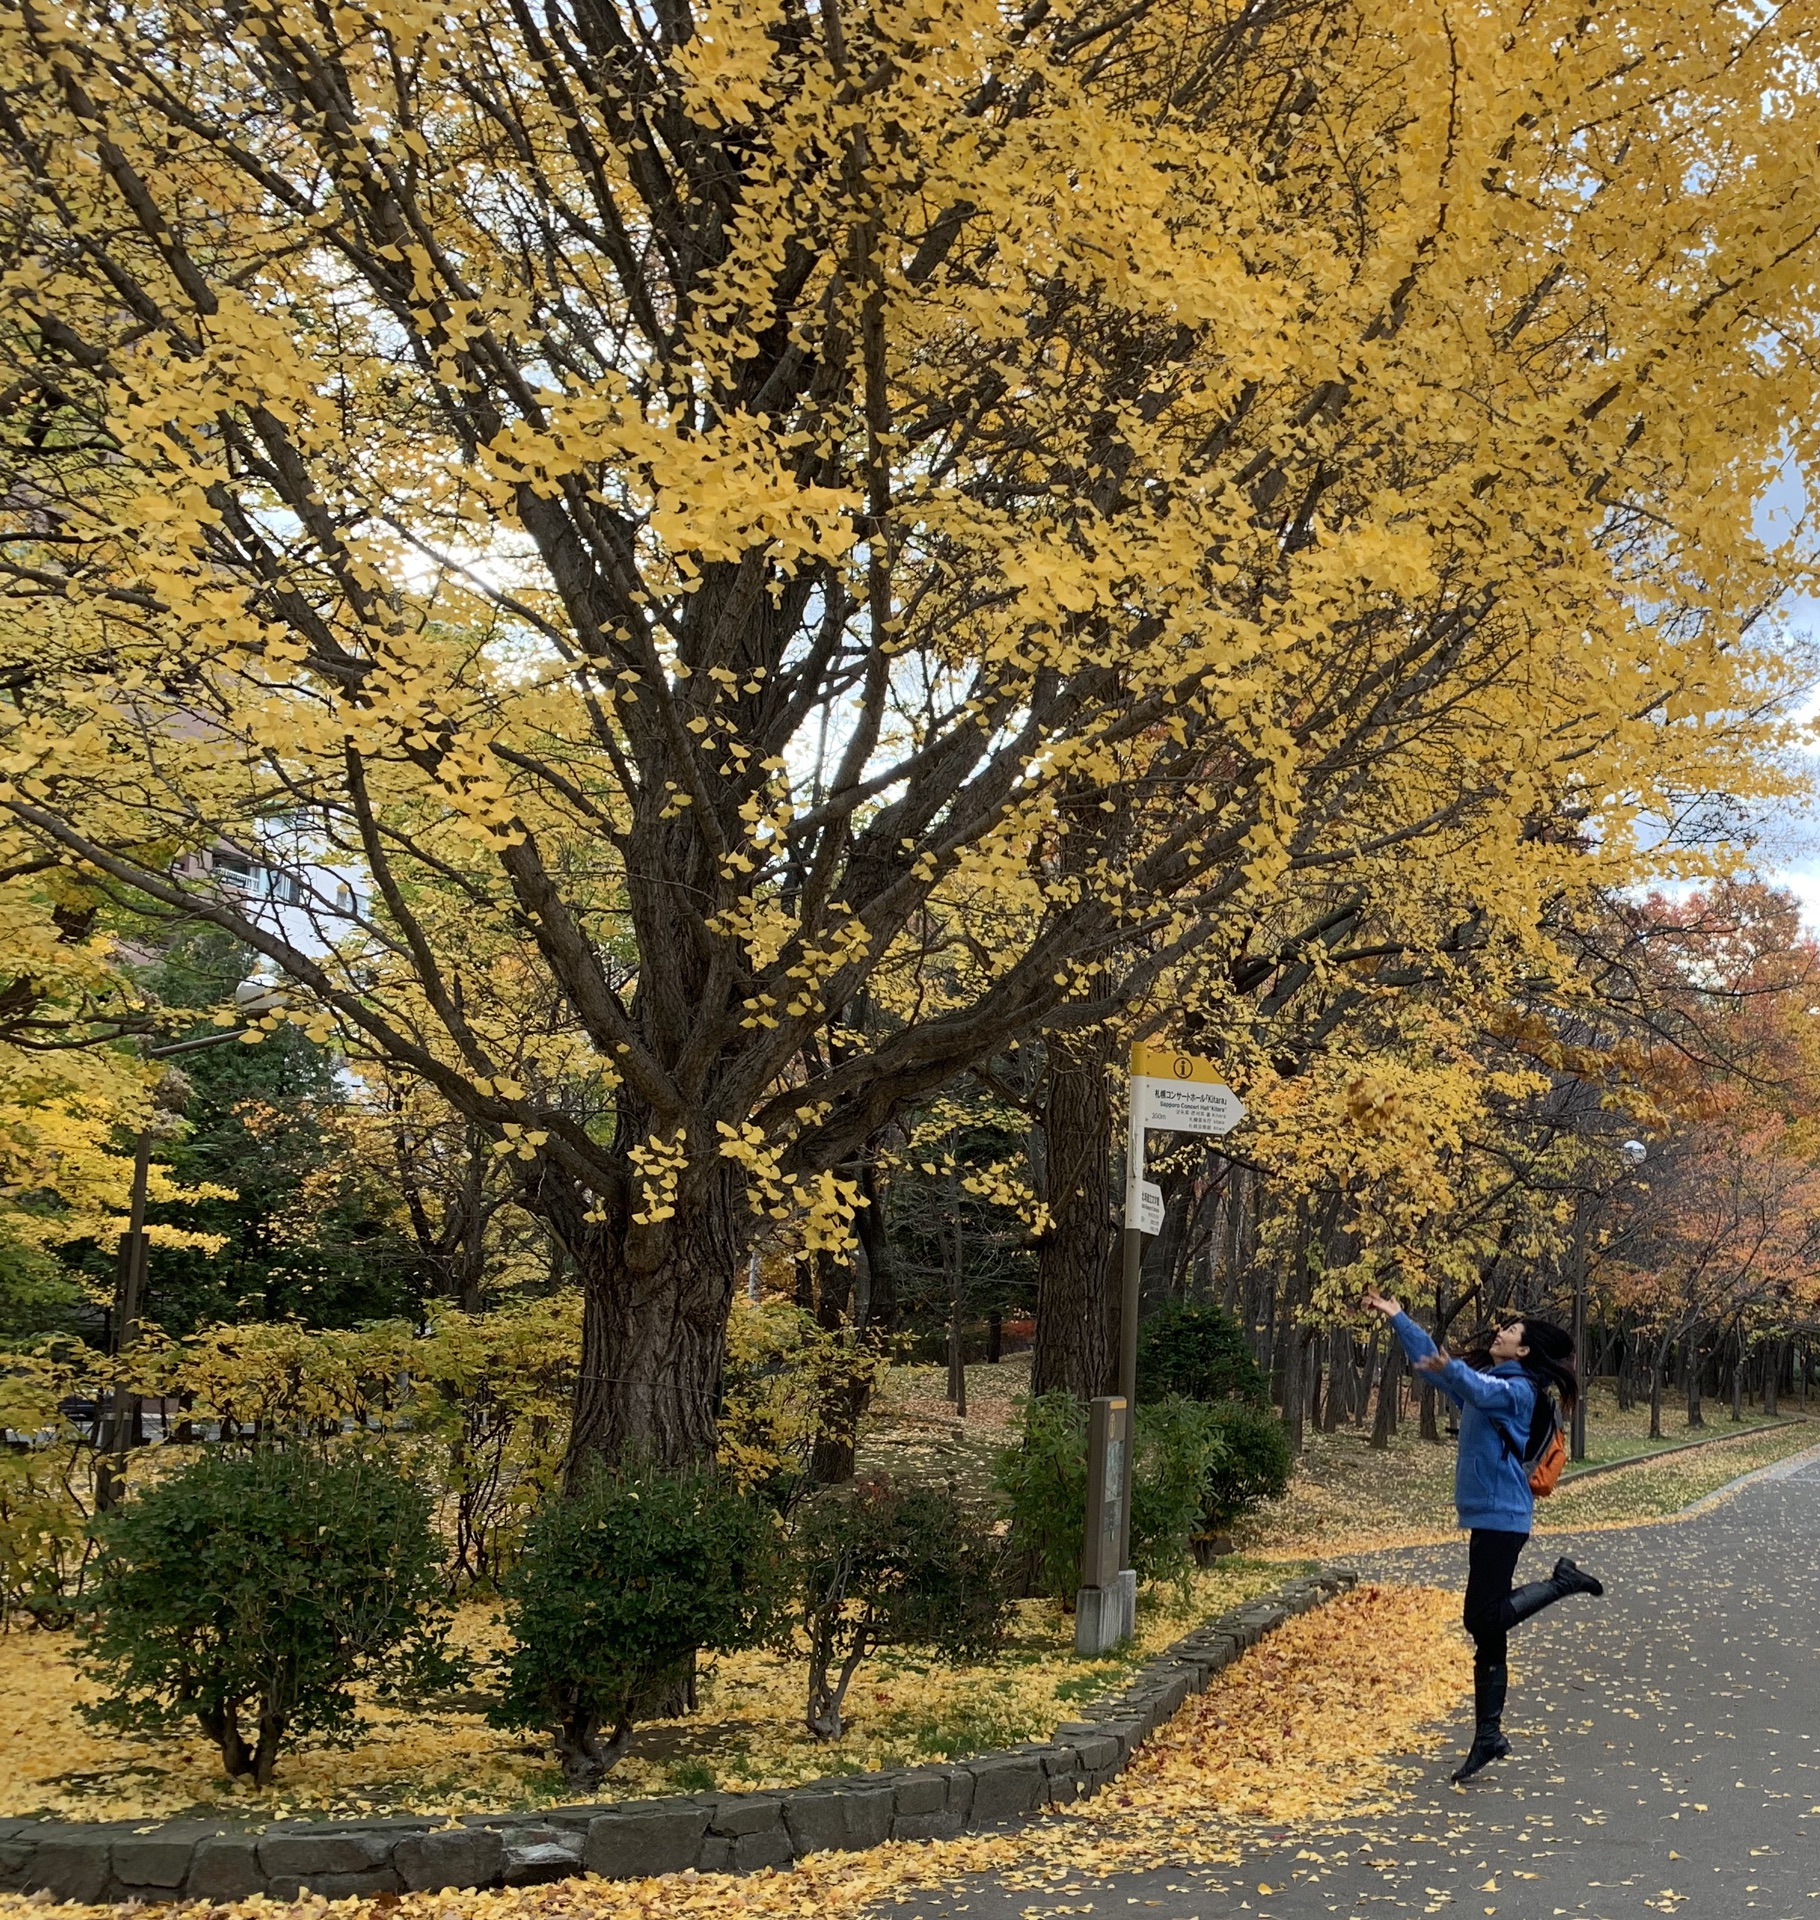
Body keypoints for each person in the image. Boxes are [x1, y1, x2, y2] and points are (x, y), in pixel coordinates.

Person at [1363, 1292, 1605, 1782]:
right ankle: (1488, 1735)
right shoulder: (1492, 1381)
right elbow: (1440, 1372)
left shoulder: (1516, 1392)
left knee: (1481, 1618)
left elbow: (1466, 1381)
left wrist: (1452, 1368)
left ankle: (1562, 1582)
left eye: (1511, 1332)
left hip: (1503, 1517)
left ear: (1524, 1352)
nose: (1500, 1332)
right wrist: (1399, 1320)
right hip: (1490, 1517)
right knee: (1490, 1631)